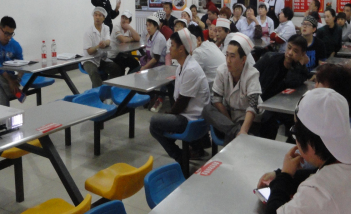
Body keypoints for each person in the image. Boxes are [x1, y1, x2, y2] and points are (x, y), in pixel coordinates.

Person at [149, 29, 210, 162]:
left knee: (154, 122)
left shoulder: (191, 69)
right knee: (158, 125)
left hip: (193, 120)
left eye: (172, 45)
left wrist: (169, 115)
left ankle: (180, 157)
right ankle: (190, 150)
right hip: (186, 115)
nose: (169, 49)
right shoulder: (181, 67)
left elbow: (181, 103)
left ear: (181, 49)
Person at [202, 33, 262, 144]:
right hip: (229, 115)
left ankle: (235, 132)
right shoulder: (222, 70)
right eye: (227, 55)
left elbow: (252, 106)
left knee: (230, 137)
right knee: (207, 109)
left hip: (247, 118)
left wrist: (243, 130)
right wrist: (231, 124)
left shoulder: (252, 74)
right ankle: (234, 131)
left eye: (232, 56)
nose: (228, 60)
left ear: (243, 59)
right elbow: (216, 100)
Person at [255, 35, 310, 139]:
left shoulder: (300, 69)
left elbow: (291, 82)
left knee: (298, 121)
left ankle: (293, 145)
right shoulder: (270, 58)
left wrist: (300, 65)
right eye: (289, 48)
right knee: (268, 120)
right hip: (262, 100)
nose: (290, 53)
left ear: (302, 54)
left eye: (295, 51)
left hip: (282, 106)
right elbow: (251, 74)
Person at [82, 7, 124, 88]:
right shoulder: (88, 32)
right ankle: (98, 92)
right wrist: (98, 46)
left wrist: (105, 43)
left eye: (100, 15)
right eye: (95, 15)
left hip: (101, 58)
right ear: (93, 16)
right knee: (94, 72)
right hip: (89, 60)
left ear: (104, 18)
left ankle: (107, 87)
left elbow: (108, 41)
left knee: (116, 69)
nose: (97, 17)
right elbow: (89, 51)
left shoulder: (106, 28)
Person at [108, 10, 141, 74]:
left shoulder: (128, 28)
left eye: (126, 18)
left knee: (136, 64)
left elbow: (138, 38)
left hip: (123, 54)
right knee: (121, 67)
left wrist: (130, 28)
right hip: (114, 55)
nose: (123, 20)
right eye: (122, 18)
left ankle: (129, 77)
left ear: (129, 21)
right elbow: (123, 39)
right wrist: (132, 39)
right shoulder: (116, 26)